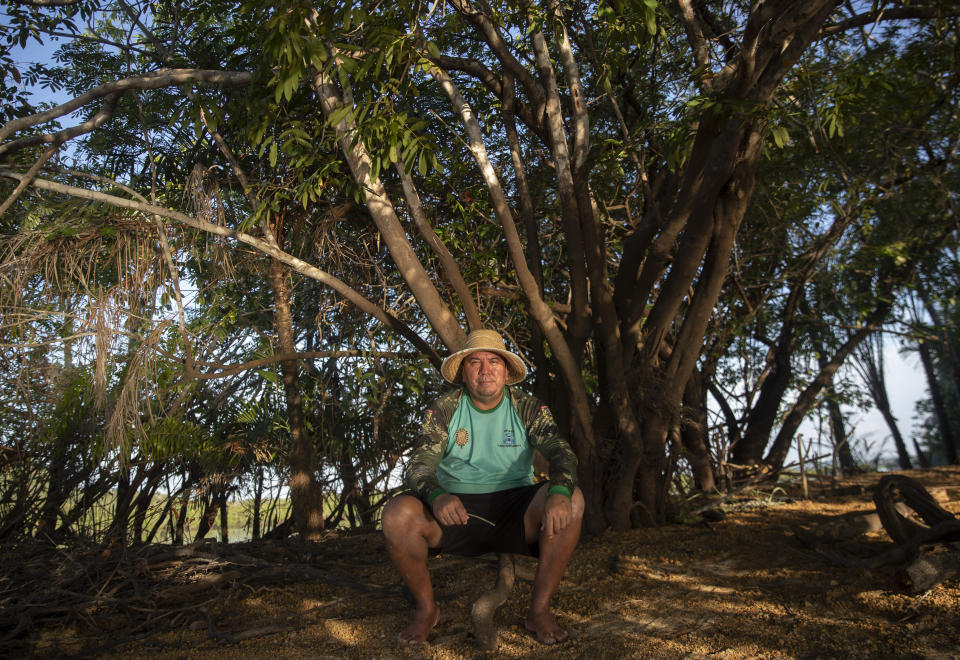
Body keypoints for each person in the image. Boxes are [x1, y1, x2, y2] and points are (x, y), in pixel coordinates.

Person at [381, 329, 584, 645]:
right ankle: (426, 608)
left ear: (506, 371)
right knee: (396, 514)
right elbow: (419, 465)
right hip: (454, 511)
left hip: (517, 509)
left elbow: (561, 451)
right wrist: (437, 496)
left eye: (494, 362)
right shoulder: (444, 408)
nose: (485, 370)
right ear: (464, 372)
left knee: (574, 501)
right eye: (475, 362)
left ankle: (539, 610)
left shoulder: (527, 407)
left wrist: (558, 493)